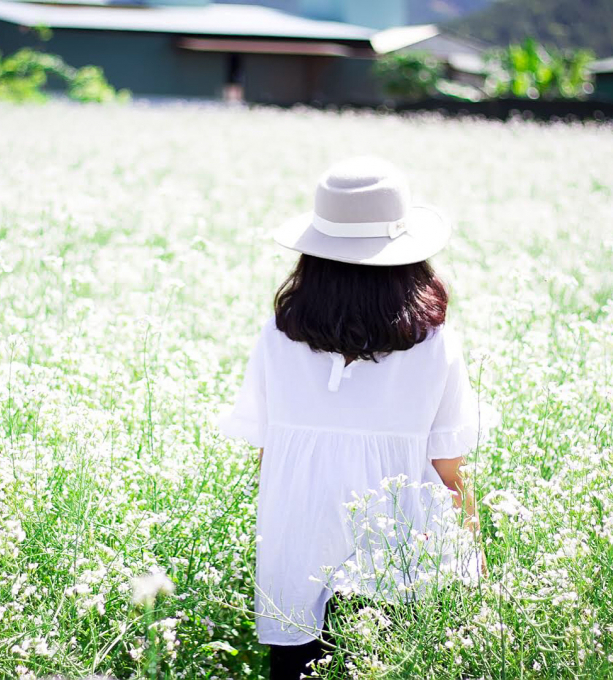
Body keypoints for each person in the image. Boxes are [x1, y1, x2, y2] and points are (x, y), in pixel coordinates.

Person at [217, 156, 491, 679]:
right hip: (402, 551)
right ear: (408, 259)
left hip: (295, 549)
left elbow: (266, 455)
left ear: (313, 258)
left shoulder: (278, 337)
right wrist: (475, 557)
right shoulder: (434, 345)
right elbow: (449, 471)